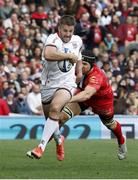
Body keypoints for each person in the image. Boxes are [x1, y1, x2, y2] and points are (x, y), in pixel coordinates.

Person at [26, 15, 83, 160]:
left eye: (70, 31)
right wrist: (67, 56)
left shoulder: (77, 40)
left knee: (55, 108)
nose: (68, 34)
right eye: (65, 31)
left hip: (67, 84)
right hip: (48, 85)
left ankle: (41, 147)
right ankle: (59, 139)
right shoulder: (52, 39)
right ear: (59, 28)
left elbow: (79, 56)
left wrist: (80, 71)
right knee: (52, 120)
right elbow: (48, 53)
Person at [56, 50, 127, 160]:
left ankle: (121, 141)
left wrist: (67, 99)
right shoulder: (76, 68)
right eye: (81, 63)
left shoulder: (96, 76)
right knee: (60, 118)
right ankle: (52, 143)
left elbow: (87, 94)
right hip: (84, 95)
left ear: (91, 65)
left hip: (102, 102)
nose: (82, 66)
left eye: (85, 64)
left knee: (109, 124)